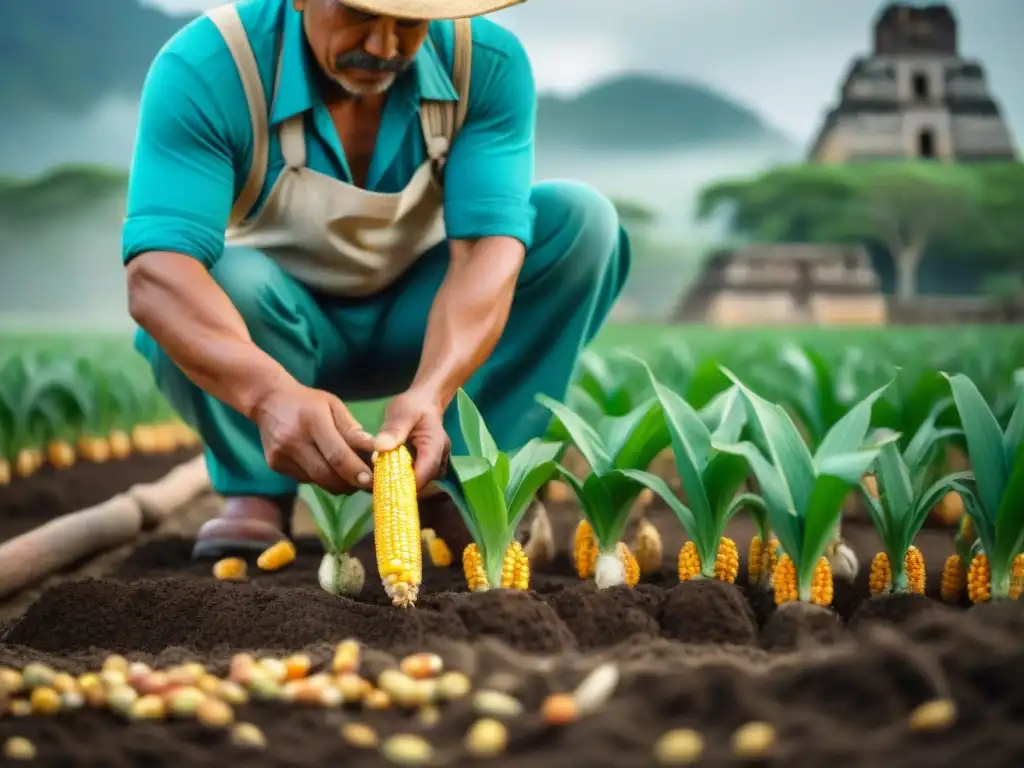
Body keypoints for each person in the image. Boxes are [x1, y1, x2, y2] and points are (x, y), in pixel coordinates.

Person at [122, 0, 631, 560]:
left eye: (409, 22)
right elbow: (156, 275)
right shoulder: (214, 67)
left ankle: (465, 483)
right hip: (279, 333)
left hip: (420, 322)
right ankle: (255, 493)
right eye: (358, 13)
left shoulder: (482, 63)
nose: (384, 48)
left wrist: (432, 392)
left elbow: (486, 250)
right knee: (210, 278)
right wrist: (270, 395)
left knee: (580, 222)